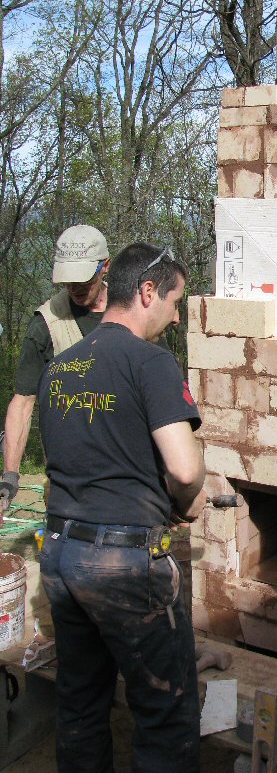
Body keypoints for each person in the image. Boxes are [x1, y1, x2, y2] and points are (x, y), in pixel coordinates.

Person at [37, 242, 206, 773]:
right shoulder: (151, 362)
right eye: (175, 302)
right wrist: (185, 504)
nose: (176, 318)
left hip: (62, 556)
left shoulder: (60, 369)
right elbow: (184, 469)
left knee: (82, 705)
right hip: (123, 565)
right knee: (165, 712)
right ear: (148, 291)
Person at [0, 225, 110, 511]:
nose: (74, 288)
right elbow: (23, 403)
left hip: (126, 474)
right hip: (68, 479)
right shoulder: (46, 324)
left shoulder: (135, 310)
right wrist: (9, 477)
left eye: (82, 278)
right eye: (67, 279)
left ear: (105, 267)